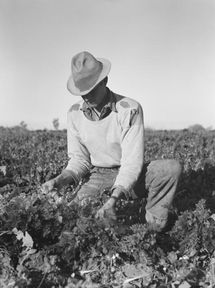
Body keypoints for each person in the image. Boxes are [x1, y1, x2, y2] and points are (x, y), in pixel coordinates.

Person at [41, 51, 182, 231]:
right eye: (82, 91)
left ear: (104, 81)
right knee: (77, 215)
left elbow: (131, 162)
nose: (86, 96)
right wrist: (60, 180)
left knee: (169, 169)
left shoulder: (129, 109)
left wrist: (114, 198)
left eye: (90, 90)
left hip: (133, 173)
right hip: (99, 175)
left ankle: (154, 223)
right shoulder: (74, 113)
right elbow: (79, 160)